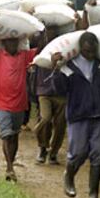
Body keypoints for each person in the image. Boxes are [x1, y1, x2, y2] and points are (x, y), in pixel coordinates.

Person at [52, 32, 100, 198]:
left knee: (98, 154)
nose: (90, 54)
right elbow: (59, 89)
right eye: (87, 51)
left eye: (93, 51)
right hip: (78, 115)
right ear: (80, 49)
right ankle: (69, 175)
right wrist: (55, 68)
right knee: (78, 151)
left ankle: (93, 194)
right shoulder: (69, 66)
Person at [0, 13, 39, 182]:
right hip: (2, 103)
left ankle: (11, 162)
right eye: (9, 41)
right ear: (3, 42)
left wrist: (40, 29)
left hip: (20, 104)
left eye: (15, 41)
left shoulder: (24, 56)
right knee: (6, 135)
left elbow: (41, 50)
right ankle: (9, 168)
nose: (13, 44)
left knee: (14, 135)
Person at [34, 25, 67, 165]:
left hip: (61, 93)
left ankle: (53, 152)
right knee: (45, 119)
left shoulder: (65, 52)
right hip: (44, 92)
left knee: (60, 125)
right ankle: (42, 146)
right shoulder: (40, 51)